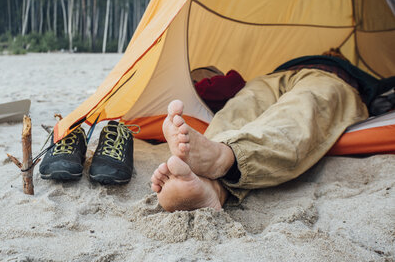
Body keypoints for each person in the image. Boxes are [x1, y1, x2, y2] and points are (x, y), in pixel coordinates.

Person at [150, 51, 395, 212]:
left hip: (329, 79)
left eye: (334, 52)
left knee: (301, 107)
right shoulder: (297, 58)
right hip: (272, 77)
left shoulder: (354, 72)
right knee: (241, 104)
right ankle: (210, 182)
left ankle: (223, 163)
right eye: (331, 51)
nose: (331, 51)